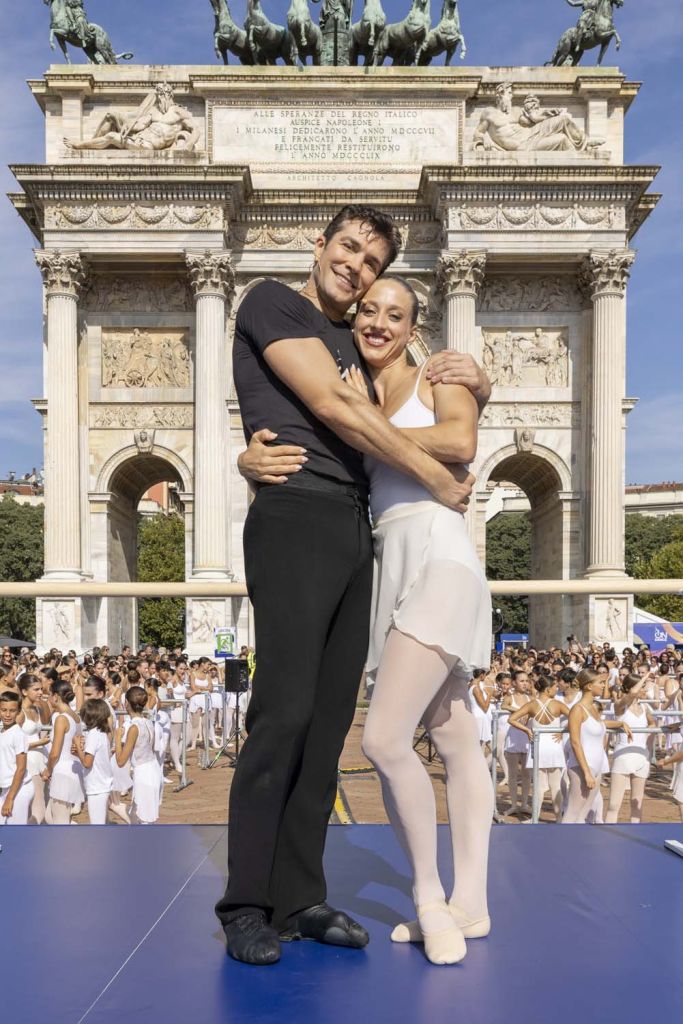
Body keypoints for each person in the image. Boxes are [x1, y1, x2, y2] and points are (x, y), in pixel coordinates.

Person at [215, 204, 490, 965]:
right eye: (348, 247)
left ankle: (299, 895)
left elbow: (424, 393)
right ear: (320, 243)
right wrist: (438, 475)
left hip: (354, 528)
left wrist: (482, 377)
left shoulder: (358, 340)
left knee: (330, 720)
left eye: (372, 263)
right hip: (296, 514)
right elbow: (334, 407)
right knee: (282, 713)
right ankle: (245, 903)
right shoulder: (271, 301)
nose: (356, 266)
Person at [341, 275, 492, 965]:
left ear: (412, 327)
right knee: (454, 737)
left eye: (394, 314)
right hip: (391, 561)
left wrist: (367, 429)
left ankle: (429, 897)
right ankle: (472, 904)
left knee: (382, 738)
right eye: (368, 310)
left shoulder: (441, 374)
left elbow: (461, 439)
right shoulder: (350, 383)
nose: (378, 322)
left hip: (436, 554)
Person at [562, 669, 632, 824]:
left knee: (583, 814)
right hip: (581, 768)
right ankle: (564, 839)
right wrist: (586, 772)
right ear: (589, 686)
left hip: (596, 766)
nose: (603, 686)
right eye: (600, 682)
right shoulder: (577, 709)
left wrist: (620, 723)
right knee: (573, 812)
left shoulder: (593, 709)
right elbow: (575, 742)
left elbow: (598, 724)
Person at [507, 674, 566, 821]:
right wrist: (564, 731)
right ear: (547, 689)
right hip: (554, 745)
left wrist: (527, 730)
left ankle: (535, 818)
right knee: (555, 785)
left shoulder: (532, 704)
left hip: (538, 745)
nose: (557, 689)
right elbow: (576, 718)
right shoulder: (557, 704)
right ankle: (559, 819)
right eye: (555, 686)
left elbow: (511, 719)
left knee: (538, 785)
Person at [605, 673, 655, 824]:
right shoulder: (620, 705)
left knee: (637, 802)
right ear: (631, 687)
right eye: (642, 687)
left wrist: (646, 736)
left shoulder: (644, 707)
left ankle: (635, 832)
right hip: (623, 756)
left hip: (641, 756)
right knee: (614, 804)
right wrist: (645, 677)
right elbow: (632, 694)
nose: (644, 690)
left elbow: (652, 723)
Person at [114, 686, 162, 825]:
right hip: (153, 769)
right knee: (142, 813)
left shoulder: (133, 728)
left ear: (127, 703)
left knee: (144, 818)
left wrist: (117, 739)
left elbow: (121, 761)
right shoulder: (148, 722)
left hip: (143, 773)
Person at [42, 679, 84, 825]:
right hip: (73, 769)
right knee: (50, 816)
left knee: (60, 822)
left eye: (49, 695)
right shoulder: (75, 717)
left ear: (55, 696)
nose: (48, 698)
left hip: (62, 772)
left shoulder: (61, 718)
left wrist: (48, 770)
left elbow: (55, 752)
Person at [72, 698, 114, 825]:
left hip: (96, 786)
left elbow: (87, 763)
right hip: (102, 784)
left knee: (97, 824)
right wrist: (79, 752)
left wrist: (78, 746)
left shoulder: (93, 735)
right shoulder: (102, 733)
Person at [17, 673, 51, 823]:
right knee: (39, 809)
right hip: (28, 762)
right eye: (36, 689)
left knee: (42, 806)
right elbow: (11, 743)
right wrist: (38, 743)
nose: (40, 692)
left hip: (41, 760)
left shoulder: (38, 709)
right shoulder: (19, 713)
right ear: (24, 691)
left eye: (41, 689)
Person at [0, 691, 34, 825]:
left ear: (19, 711)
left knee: (16, 831)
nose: (7, 715)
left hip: (19, 789)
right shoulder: (3, 731)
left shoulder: (18, 734)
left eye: (12, 710)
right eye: (4, 710)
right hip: (7, 788)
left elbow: (21, 768)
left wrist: (10, 798)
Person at [502, 670, 532, 815]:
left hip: (527, 738)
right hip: (514, 737)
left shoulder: (530, 698)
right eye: (521, 681)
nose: (525, 684)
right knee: (513, 774)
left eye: (526, 681)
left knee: (527, 774)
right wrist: (518, 710)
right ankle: (514, 805)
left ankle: (524, 804)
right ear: (514, 682)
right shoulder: (510, 697)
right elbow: (503, 706)